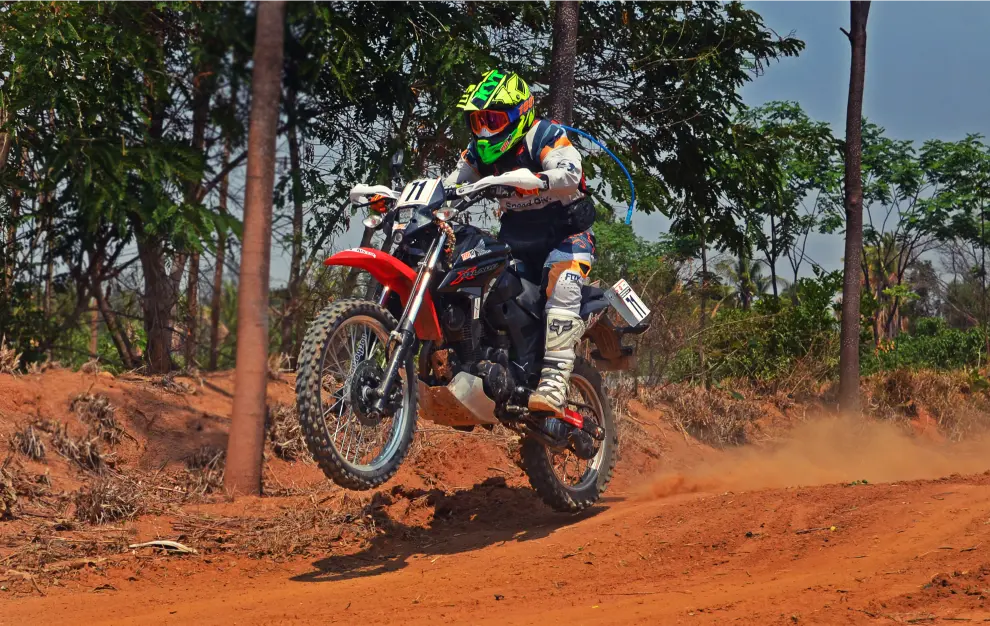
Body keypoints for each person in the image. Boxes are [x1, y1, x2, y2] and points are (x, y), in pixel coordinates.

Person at [444, 69, 597, 416]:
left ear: (518, 114)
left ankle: (554, 384)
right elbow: (451, 184)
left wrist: (539, 180)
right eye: (478, 121)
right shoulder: (478, 153)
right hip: (518, 243)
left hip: (565, 238)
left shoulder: (542, 134)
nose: (484, 130)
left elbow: (571, 170)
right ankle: (489, 362)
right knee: (479, 277)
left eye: (493, 119)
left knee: (563, 283)